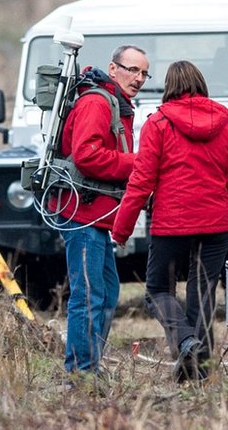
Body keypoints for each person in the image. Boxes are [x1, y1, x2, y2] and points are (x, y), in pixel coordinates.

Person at [112, 60, 228, 382]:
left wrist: (121, 230)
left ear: (169, 88)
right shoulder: (225, 121)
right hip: (218, 225)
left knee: (157, 291)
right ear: (201, 84)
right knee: (201, 294)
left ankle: (186, 342)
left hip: (172, 224)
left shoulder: (158, 123)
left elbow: (141, 182)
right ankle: (198, 371)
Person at [51, 44, 149, 375]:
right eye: (132, 70)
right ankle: (80, 373)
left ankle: (90, 364)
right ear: (113, 68)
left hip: (96, 213)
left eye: (144, 73)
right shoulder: (97, 102)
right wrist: (138, 163)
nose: (138, 78)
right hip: (82, 214)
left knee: (106, 291)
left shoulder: (115, 103)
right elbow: (87, 156)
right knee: (90, 294)